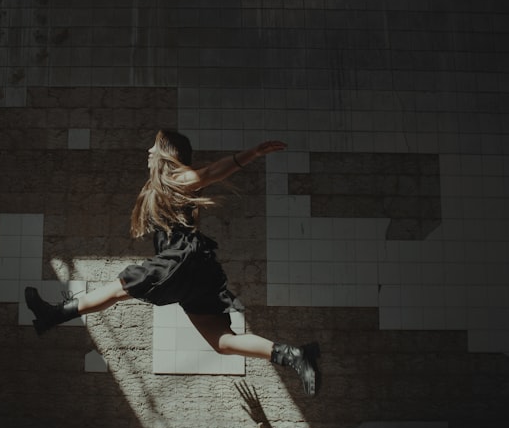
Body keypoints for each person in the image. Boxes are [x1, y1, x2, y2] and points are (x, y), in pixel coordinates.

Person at [24, 130, 318, 397]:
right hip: (196, 272)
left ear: (167, 153)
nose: (149, 152)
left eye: (154, 147)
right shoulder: (160, 188)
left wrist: (250, 154)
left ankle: (53, 315)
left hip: (180, 260)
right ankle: (292, 354)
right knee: (222, 342)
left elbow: (213, 172)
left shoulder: (179, 180)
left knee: (118, 288)